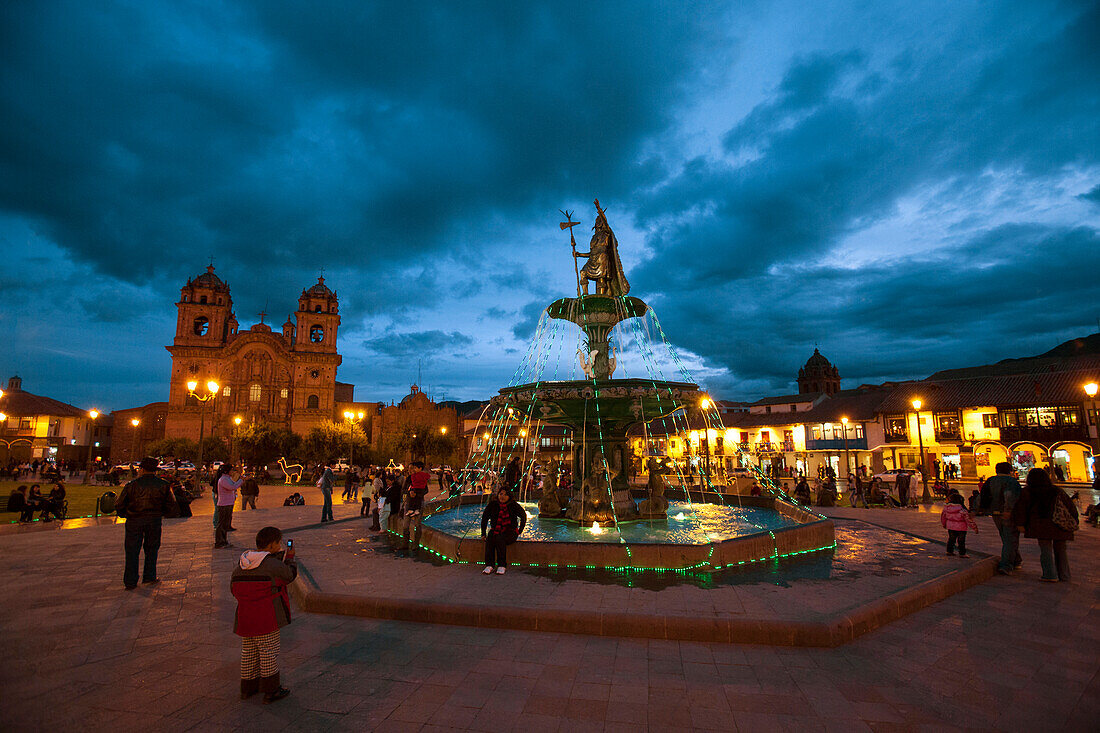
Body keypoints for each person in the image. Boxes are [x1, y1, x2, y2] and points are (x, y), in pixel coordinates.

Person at [231, 526, 296, 704]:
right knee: (268, 651)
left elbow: (233, 589)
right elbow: (289, 575)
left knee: (249, 652)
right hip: (266, 616)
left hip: (245, 617)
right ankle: (271, 690)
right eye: (279, 542)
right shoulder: (272, 564)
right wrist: (290, 558)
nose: (281, 545)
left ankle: (248, 688)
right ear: (272, 545)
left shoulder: (242, 563)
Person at [115, 457, 178, 589]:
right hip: (153, 520)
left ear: (142, 469)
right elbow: (171, 506)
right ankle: (149, 576)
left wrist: (127, 515)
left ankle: (130, 581)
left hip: (134, 521)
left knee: (132, 550)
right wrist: (161, 513)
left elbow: (120, 505)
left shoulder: (131, 485)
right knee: (152, 549)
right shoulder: (163, 485)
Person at [1012, 467, 1078, 582]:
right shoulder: (1056, 490)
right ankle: (1064, 575)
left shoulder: (1028, 491)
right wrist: (1074, 521)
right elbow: (1070, 507)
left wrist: (1020, 524)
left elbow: (1021, 509)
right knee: (1061, 550)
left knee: (1045, 549)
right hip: (1059, 524)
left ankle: (1050, 574)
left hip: (1041, 524)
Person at [979, 462, 1023, 574]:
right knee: (1010, 537)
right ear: (1010, 471)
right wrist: (1008, 510)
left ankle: (1016, 560)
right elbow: (1009, 496)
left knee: (1006, 536)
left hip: (995, 513)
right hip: (1008, 514)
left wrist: (976, 510)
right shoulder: (1011, 481)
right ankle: (1006, 565)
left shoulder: (991, 480)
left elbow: (982, 495)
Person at [481, 487, 527, 575]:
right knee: (490, 537)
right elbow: (485, 518)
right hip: (496, 530)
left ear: (509, 496)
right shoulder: (493, 504)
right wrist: (483, 533)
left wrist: (520, 530)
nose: (502, 496)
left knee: (499, 538)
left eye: (505, 494)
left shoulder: (513, 505)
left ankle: (502, 565)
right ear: (498, 494)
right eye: (501, 494)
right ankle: (489, 565)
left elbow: (523, 516)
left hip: (510, 532)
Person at [401, 461, 431, 551]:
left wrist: (417, 493)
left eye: (412, 468)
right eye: (409, 468)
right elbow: (403, 489)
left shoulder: (421, 478)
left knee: (417, 524)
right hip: (409, 503)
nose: (410, 470)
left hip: (418, 502)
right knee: (405, 524)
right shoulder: (409, 478)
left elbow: (426, 490)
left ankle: (416, 543)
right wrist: (408, 492)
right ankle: (405, 543)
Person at [215, 464, 244, 549]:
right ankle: (219, 542)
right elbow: (232, 487)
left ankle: (224, 541)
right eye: (231, 470)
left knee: (225, 523)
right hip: (224, 504)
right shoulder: (223, 479)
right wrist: (241, 481)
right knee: (222, 524)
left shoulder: (227, 478)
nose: (232, 472)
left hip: (228, 503)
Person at [940, 492, 978, 557]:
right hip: (961, 528)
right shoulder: (962, 510)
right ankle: (962, 553)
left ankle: (949, 551)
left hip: (951, 527)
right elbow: (968, 520)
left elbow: (943, 517)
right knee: (961, 541)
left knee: (951, 540)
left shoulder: (947, 509)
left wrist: (944, 524)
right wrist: (974, 527)